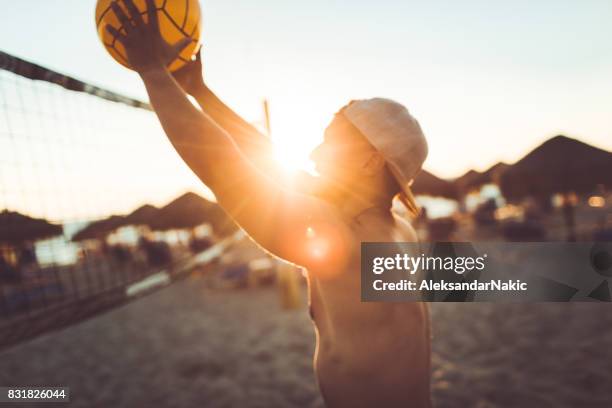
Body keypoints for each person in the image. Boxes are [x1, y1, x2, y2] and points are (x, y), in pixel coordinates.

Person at [106, 1, 431, 406]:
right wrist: (201, 93)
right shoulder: (395, 225)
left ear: (369, 163)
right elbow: (268, 156)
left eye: (330, 143)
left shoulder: (340, 237)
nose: (313, 153)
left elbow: (221, 167)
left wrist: (153, 72)